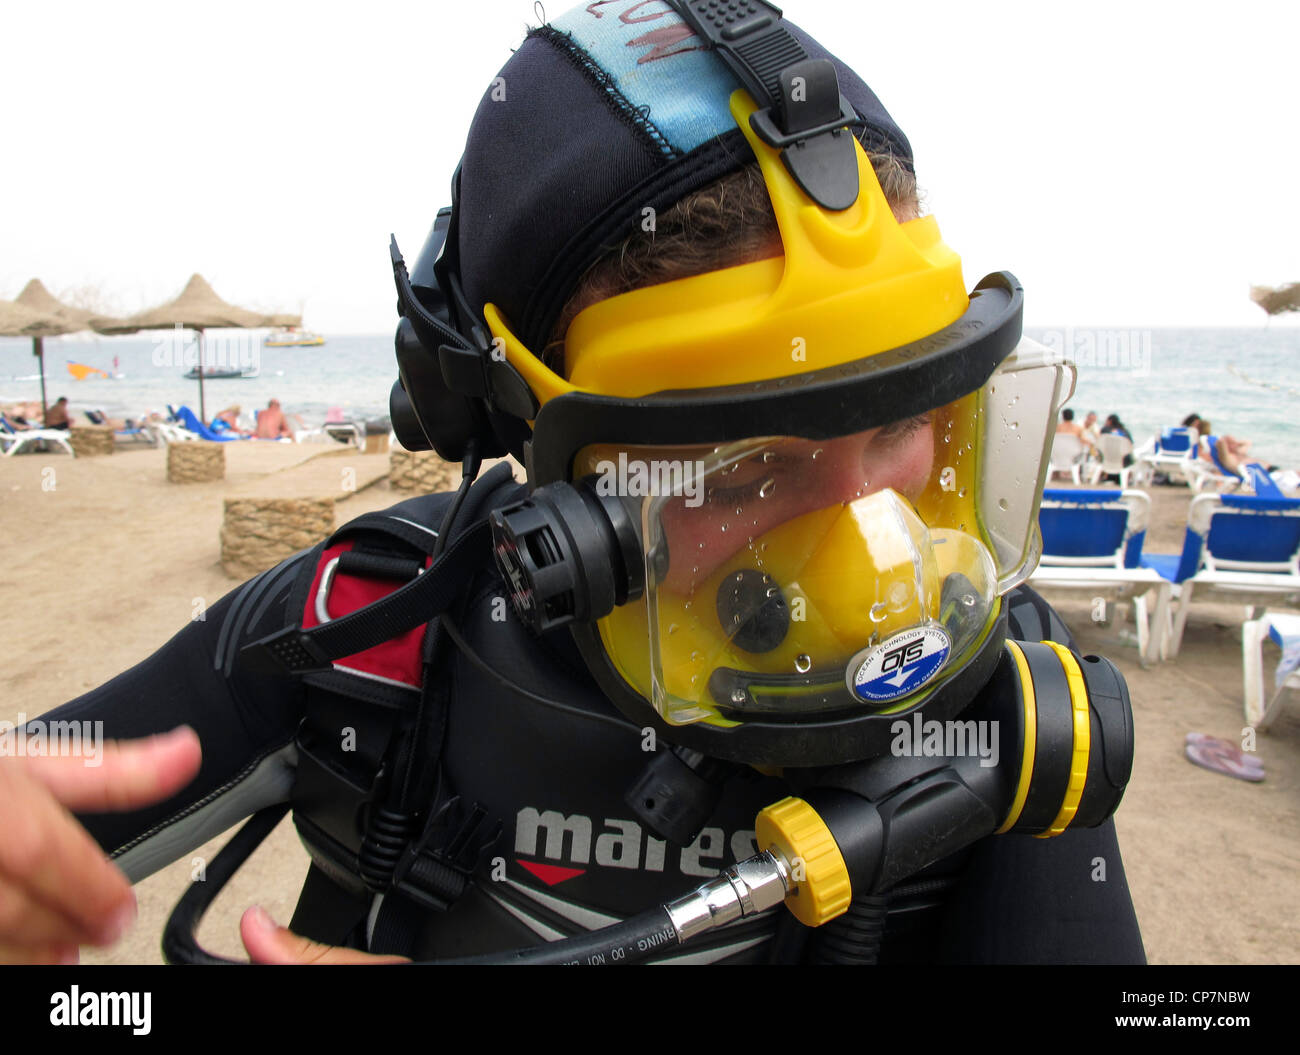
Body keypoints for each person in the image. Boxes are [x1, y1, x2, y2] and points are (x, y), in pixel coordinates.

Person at [5, 2, 1143, 966]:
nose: (868, 560)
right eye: (745, 466)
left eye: (904, 424)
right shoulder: (367, 631)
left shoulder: (1010, 700)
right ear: (533, 448)